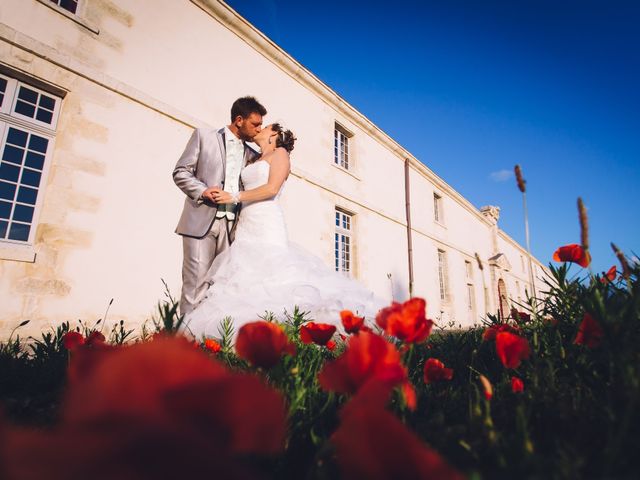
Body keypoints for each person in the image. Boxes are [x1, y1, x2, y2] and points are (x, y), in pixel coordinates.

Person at [181, 123, 386, 339]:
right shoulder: (253, 158)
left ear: (274, 135)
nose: (259, 129)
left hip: (266, 222)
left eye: (265, 127)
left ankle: (289, 333)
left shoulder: (280, 154)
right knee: (245, 279)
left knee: (273, 278)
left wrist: (234, 197)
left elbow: (272, 188)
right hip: (246, 226)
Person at [173, 96, 266, 316]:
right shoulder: (203, 137)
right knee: (194, 286)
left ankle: (209, 345)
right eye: (255, 124)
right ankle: (185, 344)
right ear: (239, 120)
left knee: (221, 290)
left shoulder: (254, 155)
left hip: (233, 230)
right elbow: (180, 172)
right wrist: (202, 190)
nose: (258, 129)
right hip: (201, 222)